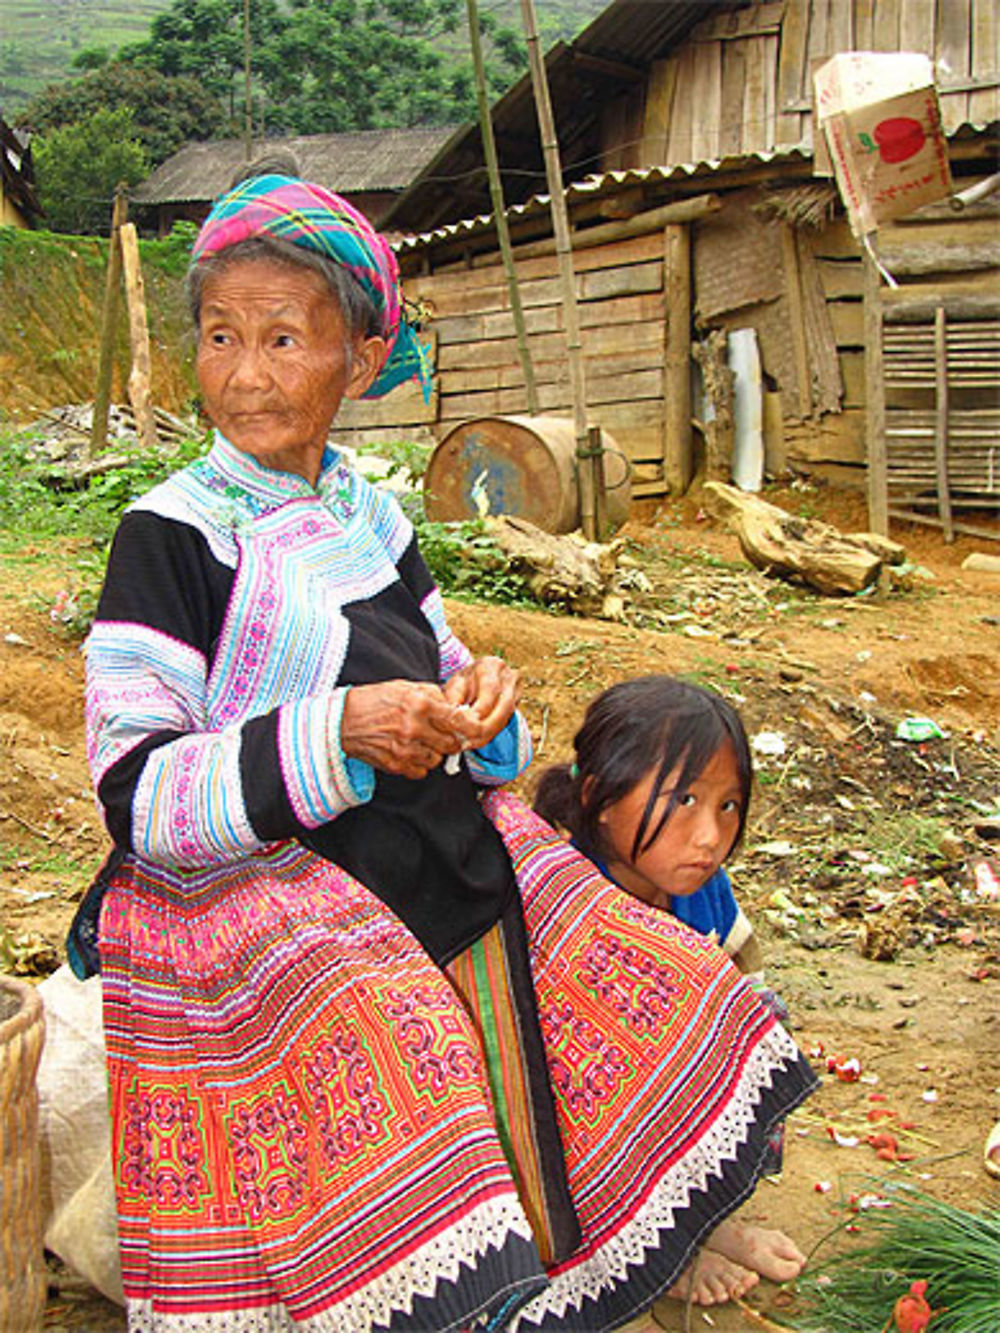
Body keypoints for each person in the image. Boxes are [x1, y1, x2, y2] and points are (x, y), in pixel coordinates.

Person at [70, 167, 817, 1332]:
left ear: (361, 362)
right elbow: (134, 790)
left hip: (415, 832)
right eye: (221, 336)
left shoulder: (372, 519)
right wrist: (340, 730)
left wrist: (478, 712)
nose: (246, 372)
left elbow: (448, 668)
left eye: (281, 338)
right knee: (399, 1037)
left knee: (633, 962)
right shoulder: (173, 533)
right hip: (242, 879)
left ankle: (593, 1245)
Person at [533, 676, 802, 1308]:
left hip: (673, 1100)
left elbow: (744, 973)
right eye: (684, 800)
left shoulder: (702, 888)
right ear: (600, 798)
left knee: (763, 1023)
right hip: (590, 1119)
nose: (710, 836)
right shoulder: (569, 896)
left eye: (728, 806)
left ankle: (709, 1216)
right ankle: (659, 1247)